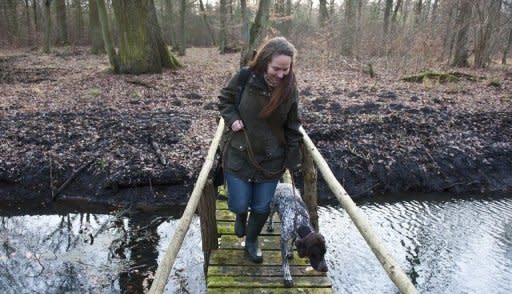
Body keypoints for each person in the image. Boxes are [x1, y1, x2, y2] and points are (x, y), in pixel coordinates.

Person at [218, 37, 303, 263]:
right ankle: (239, 215)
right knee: (238, 202)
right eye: (276, 68)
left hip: (271, 159)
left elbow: (294, 126)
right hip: (239, 153)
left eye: (286, 69)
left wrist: (292, 159)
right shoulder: (245, 78)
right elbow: (224, 101)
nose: (281, 74)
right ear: (265, 61)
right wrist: (232, 118)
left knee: (262, 207)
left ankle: (252, 240)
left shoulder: (290, 88)